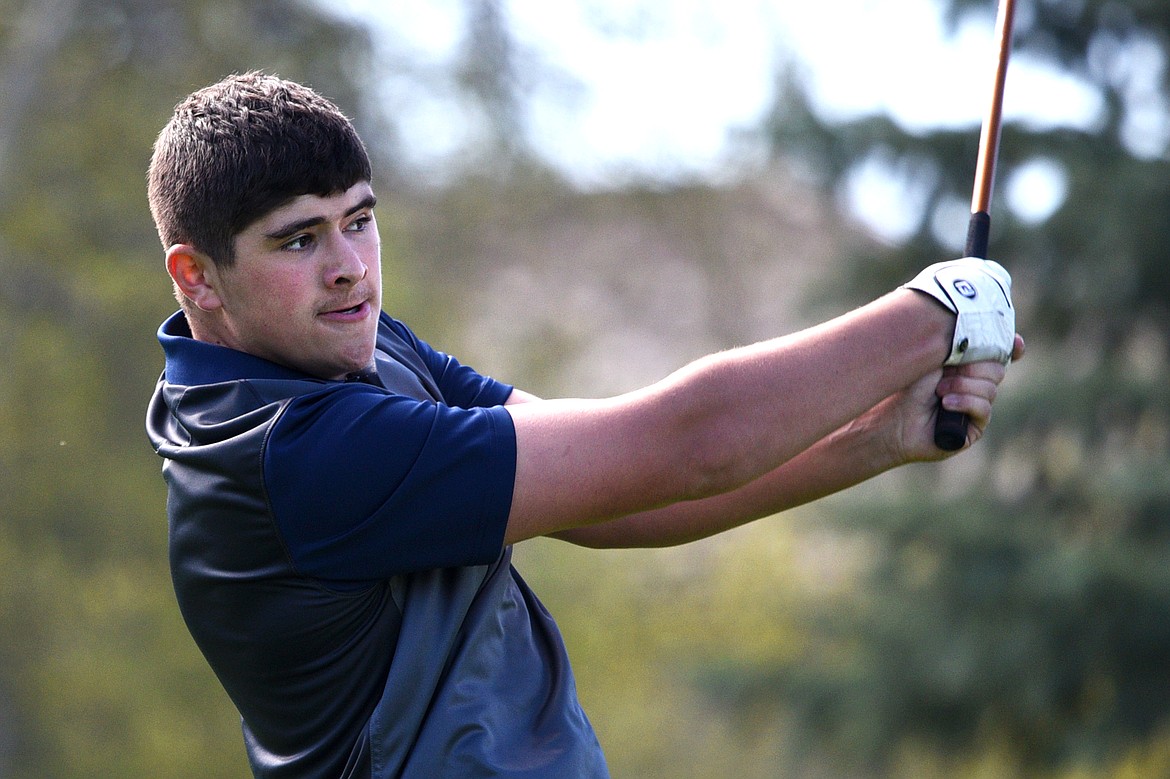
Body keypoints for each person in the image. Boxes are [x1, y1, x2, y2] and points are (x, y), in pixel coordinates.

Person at [145, 71, 1023, 779]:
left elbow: (617, 494)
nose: (350, 270)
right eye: (300, 241)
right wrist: (936, 313)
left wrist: (880, 430)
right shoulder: (295, 452)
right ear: (197, 277)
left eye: (361, 222)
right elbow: (690, 440)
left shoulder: (357, 356)